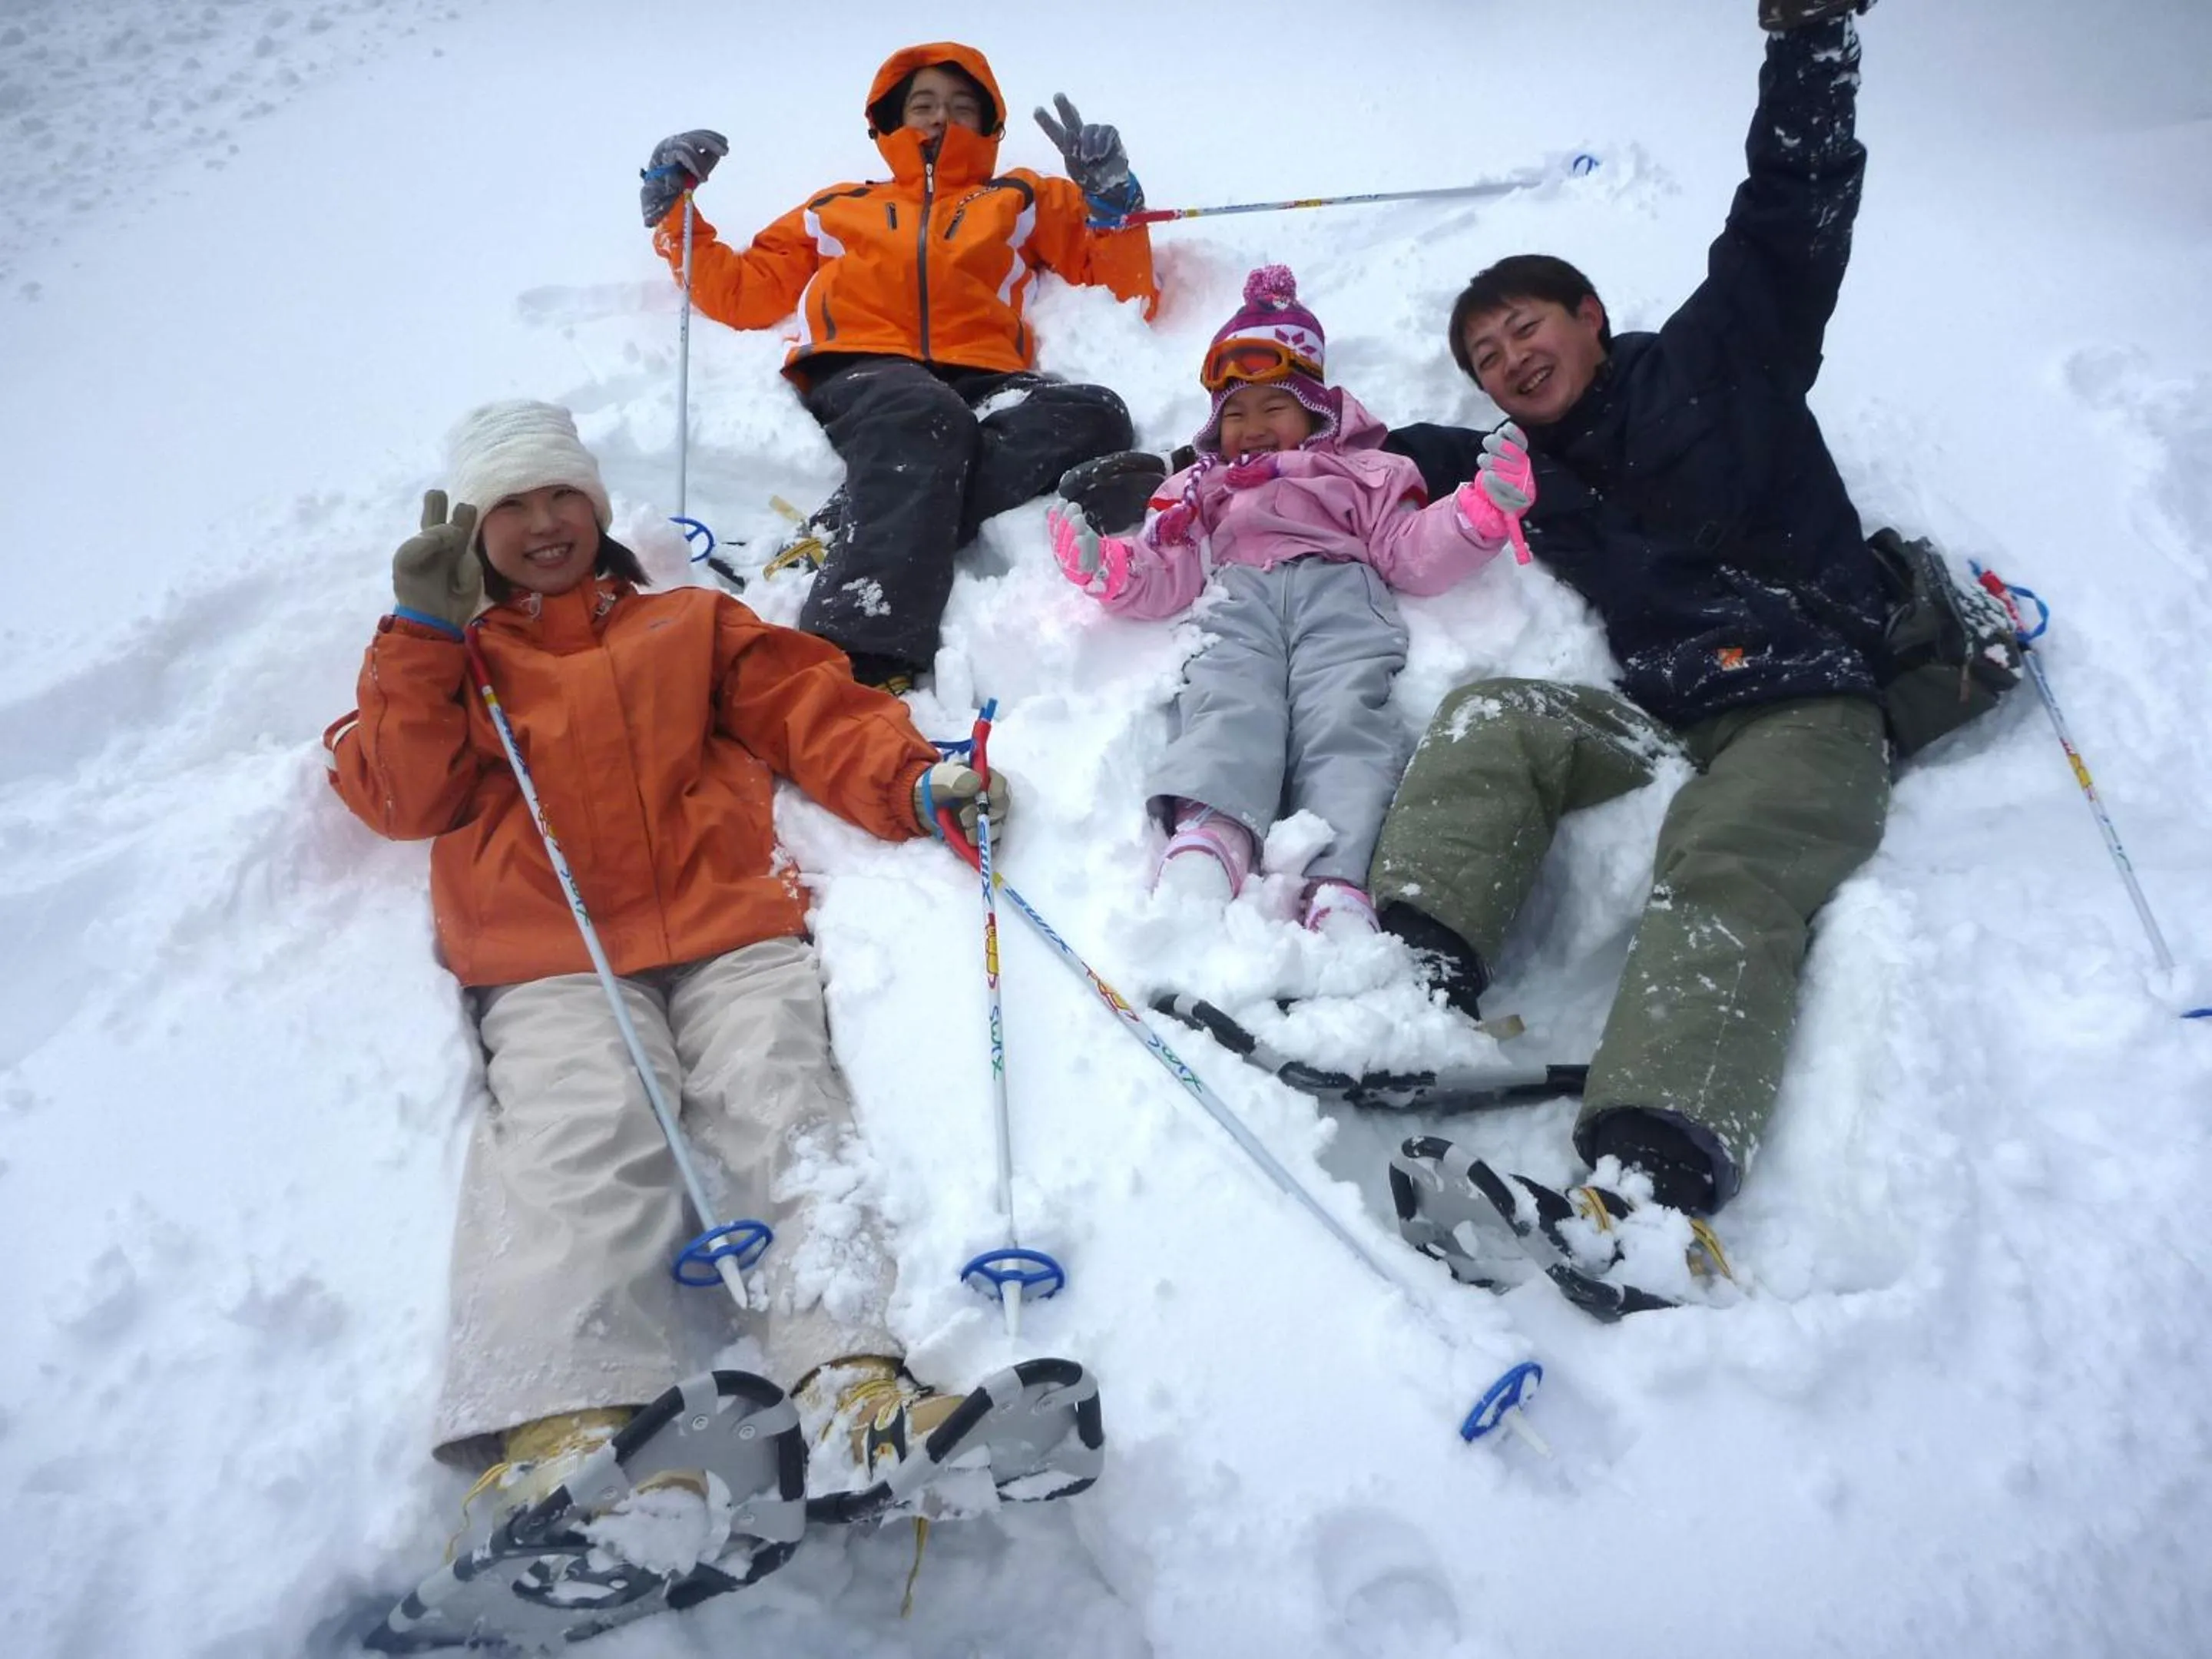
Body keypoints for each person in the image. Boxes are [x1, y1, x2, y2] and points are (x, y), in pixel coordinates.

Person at [322, 401, 1086, 1596]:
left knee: (788, 1110)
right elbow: (397, 793)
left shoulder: (689, 623)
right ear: (474, 532)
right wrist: (423, 632)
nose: (543, 524)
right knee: (586, 1136)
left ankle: (852, 1397)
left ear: (597, 506)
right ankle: (563, 1444)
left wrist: (915, 779)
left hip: (728, 925)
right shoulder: (458, 661)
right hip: (551, 951)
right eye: (510, 508)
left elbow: (811, 709)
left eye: (560, 496)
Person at [1376, 0, 1890, 1254]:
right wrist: (1200, 465)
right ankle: (1405, 988)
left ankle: (1652, 1177)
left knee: (1728, 855)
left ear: (1591, 318)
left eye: (1525, 329)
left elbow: (1791, 208)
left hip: (1804, 695)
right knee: (1499, 717)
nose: (1509, 359)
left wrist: (1810, 41)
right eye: (1487, 356)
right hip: (1667, 714)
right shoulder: (1515, 467)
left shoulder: (1726, 354)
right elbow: (1346, 460)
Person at [639, 43, 1159, 694]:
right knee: (925, 419)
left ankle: (846, 526)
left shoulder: (1019, 197)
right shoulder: (839, 205)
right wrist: (672, 213)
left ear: (988, 125)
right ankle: (859, 648)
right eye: (924, 105)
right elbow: (746, 294)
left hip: (985, 377)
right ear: (890, 120)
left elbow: (1124, 290)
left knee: (1095, 413)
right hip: (864, 367)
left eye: (961, 106)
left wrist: (1112, 204)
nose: (941, 118)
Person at [1051, 267, 1535, 935]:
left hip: (1340, 594)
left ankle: (1340, 877)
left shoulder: (1368, 473)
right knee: (1228, 695)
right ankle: (1213, 830)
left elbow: (1408, 552)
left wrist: (1475, 516)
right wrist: (1107, 569)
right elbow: (1171, 570)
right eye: (1235, 414)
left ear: (1316, 410)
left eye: (1272, 407)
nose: (1250, 427)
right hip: (1238, 596)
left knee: (1344, 716)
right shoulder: (1199, 489)